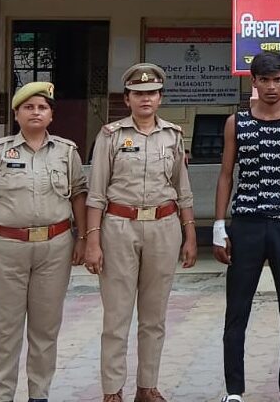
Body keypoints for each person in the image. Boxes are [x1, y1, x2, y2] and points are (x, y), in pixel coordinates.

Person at [84, 63, 198, 402]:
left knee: (154, 316)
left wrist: (190, 235)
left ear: (160, 97)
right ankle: (112, 390)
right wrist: (92, 240)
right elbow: (96, 192)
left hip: (164, 227)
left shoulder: (173, 136)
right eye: (138, 93)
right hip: (119, 227)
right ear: (127, 99)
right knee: (116, 316)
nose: (145, 99)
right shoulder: (110, 136)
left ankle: (147, 386)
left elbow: (183, 190)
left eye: (152, 93)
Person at [0, 81, 88, 402]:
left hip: (55, 247)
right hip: (7, 248)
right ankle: (2, 395)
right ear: (17, 114)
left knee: (45, 328)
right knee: (5, 329)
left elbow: (79, 195)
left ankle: (39, 395)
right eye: (29, 107)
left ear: (51, 115)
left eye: (42, 107)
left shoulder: (66, 152)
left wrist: (83, 238)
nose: (36, 112)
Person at [213, 52, 280, 402]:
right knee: (237, 309)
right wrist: (219, 227)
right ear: (253, 81)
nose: (272, 87)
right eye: (265, 80)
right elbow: (226, 175)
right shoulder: (236, 123)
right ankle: (234, 391)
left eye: (278, 80)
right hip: (246, 224)